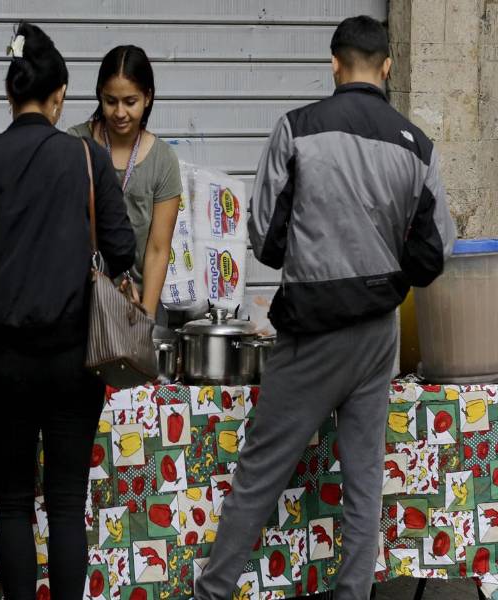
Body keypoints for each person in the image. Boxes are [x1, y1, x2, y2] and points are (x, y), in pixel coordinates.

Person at [195, 16, 455, 600]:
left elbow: (265, 235)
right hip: (375, 336)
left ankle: (212, 592)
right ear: (386, 67)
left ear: (334, 65)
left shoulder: (297, 129)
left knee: (260, 475)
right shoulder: (417, 146)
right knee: (363, 483)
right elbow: (434, 253)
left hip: (310, 334)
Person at [0, 22, 135, 600]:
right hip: (76, 358)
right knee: (69, 501)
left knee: (17, 502)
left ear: (10, 95)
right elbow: (122, 250)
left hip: (3, 362)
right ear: (59, 97)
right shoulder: (85, 158)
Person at [68, 45, 180, 317]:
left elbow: (157, 249)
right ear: (99, 96)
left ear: (148, 98)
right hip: (82, 303)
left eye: (130, 102)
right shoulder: (75, 144)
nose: (119, 113)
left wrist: (147, 318)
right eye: (110, 101)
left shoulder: (162, 159)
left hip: (137, 302)